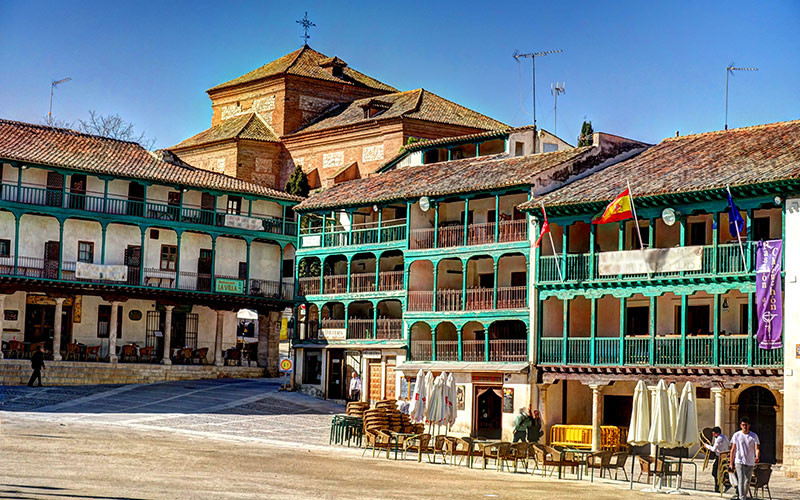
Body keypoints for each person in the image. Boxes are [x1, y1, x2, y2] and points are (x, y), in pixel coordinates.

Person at [729, 417, 760, 500]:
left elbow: (756, 448)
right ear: (740, 425)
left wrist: (757, 456)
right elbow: (733, 449)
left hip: (750, 461)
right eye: (743, 425)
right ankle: (742, 497)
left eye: (746, 425)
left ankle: (744, 496)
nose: (744, 427)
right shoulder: (737, 435)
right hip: (739, 460)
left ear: (749, 425)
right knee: (741, 479)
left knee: (747, 481)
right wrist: (731, 463)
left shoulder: (754, 436)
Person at [704, 426, 730, 493]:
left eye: (713, 434)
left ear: (717, 433)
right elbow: (729, 444)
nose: (713, 435)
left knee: (715, 472)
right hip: (724, 457)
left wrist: (706, 446)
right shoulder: (725, 437)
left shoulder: (719, 439)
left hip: (720, 457)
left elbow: (713, 449)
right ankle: (719, 486)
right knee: (719, 472)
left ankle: (723, 485)